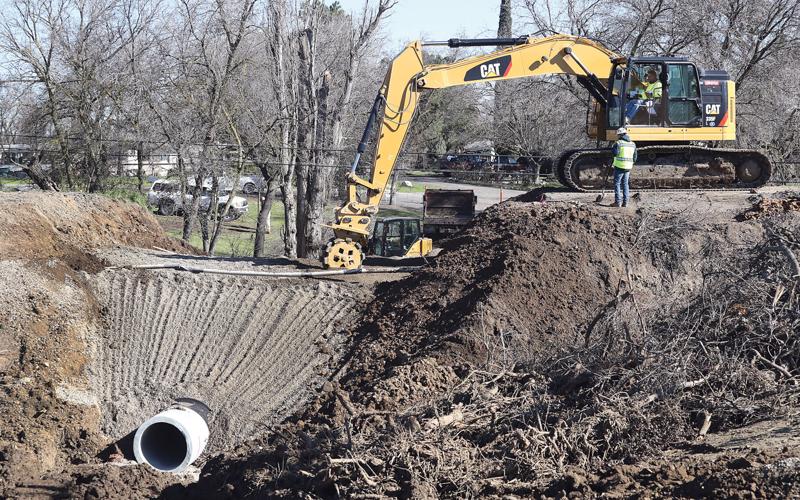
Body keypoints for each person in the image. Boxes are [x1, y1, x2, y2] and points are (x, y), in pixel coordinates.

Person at [612, 127, 636, 207]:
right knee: (625, 184)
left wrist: (613, 147)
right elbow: (635, 157)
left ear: (620, 135)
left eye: (618, 135)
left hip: (619, 166)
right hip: (628, 167)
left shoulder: (618, 143)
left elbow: (615, 153)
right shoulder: (633, 144)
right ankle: (625, 203)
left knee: (617, 183)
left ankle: (617, 202)